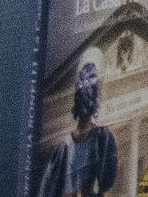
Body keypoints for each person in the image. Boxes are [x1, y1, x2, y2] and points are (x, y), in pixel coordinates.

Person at [35, 59, 116, 197]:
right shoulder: (103, 137)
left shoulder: (62, 149)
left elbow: (48, 190)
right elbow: (106, 184)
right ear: (96, 101)